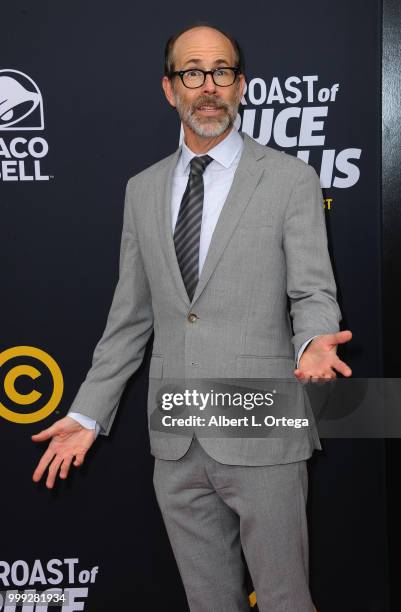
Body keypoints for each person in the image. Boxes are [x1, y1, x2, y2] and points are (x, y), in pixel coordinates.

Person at [31, 23, 352, 611]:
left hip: (264, 429)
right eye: (193, 73)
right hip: (175, 440)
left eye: (223, 72)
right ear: (169, 88)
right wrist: (87, 412)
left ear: (242, 85)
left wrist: (312, 342)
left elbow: (312, 292)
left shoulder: (289, 180)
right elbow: (130, 318)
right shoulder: (142, 189)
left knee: (284, 600)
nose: (209, 86)